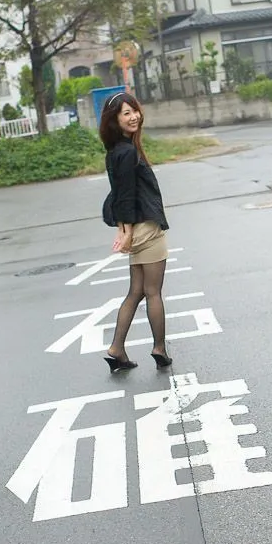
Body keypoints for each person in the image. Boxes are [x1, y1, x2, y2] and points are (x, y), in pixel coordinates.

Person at [99, 91, 172, 373]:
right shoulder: (128, 152)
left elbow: (117, 195)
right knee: (153, 292)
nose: (134, 117)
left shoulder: (115, 151)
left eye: (135, 111)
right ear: (115, 120)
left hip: (134, 227)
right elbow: (126, 196)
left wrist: (123, 228)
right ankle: (159, 348)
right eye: (126, 113)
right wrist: (127, 233)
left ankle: (117, 349)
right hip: (146, 228)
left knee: (137, 291)